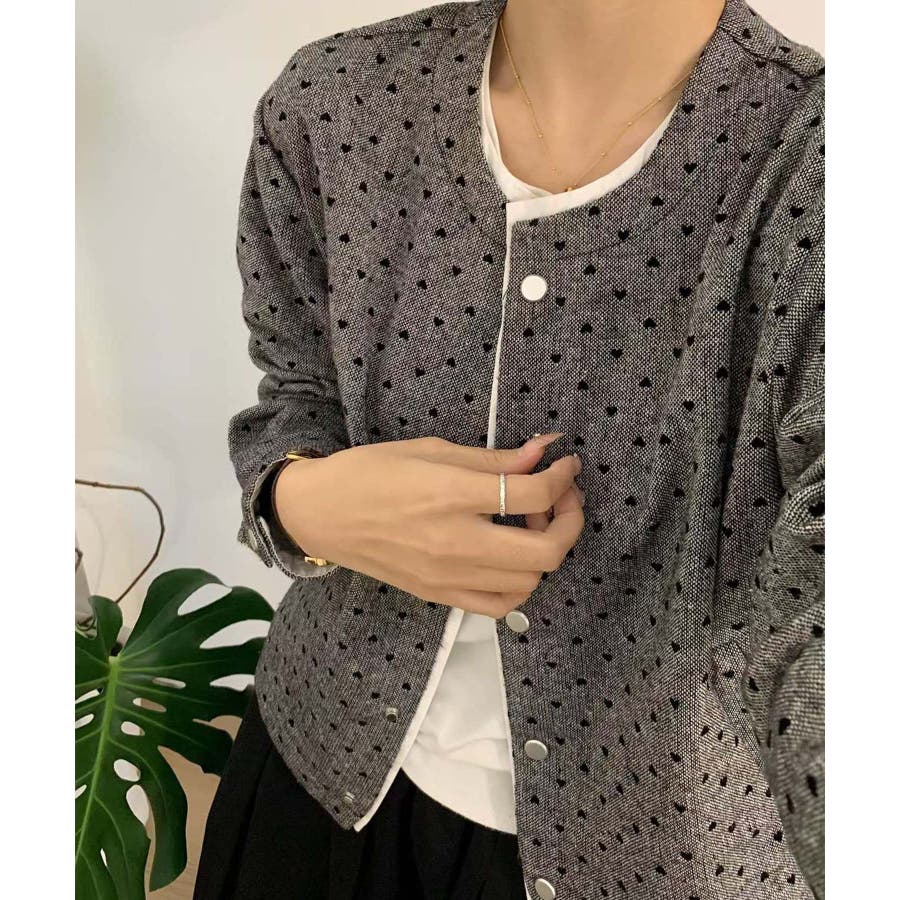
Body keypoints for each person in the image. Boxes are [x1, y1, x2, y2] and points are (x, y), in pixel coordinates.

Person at [195, 0, 825, 898]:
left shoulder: (820, 172)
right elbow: (295, 397)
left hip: (660, 853)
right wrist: (302, 506)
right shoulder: (334, 100)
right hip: (316, 773)